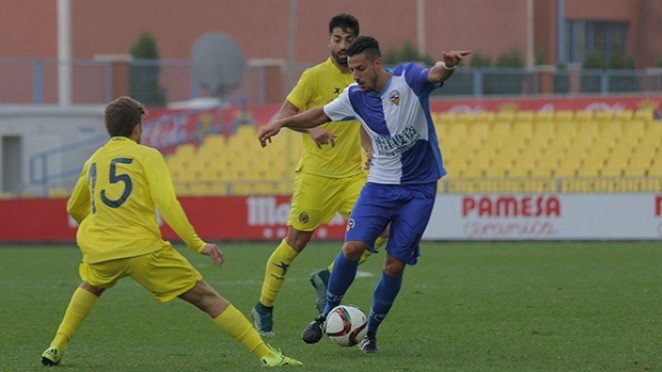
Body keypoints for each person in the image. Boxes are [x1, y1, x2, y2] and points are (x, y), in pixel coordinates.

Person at [40, 97, 301, 368]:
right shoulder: (147, 155)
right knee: (206, 297)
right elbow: (167, 204)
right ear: (137, 128)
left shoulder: (94, 160)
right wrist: (198, 244)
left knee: (92, 285)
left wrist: (99, 228)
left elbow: (74, 207)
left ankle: (56, 346)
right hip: (143, 250)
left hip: (102, 251)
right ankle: (266, 354)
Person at [258, 36, 470, 353]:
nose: (354, 75)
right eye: (351, 69)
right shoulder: (355, 96)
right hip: (379, 184)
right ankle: (326, 311)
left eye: (359, 68)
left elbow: (435, 74)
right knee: (352, 246)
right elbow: (319, 114)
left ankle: (371, 330)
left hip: (418, 190)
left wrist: (448, 65)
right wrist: (282, 123)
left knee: (394, 265)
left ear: (377, 64)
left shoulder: (407, 79)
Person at [251, 14, 388, 336]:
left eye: (348, 40)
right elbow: (285, 115)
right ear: (329, 41)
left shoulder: (361, 79)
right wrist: (313, 131)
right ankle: (264, 306)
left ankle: (328, 277)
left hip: (352, 175)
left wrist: (369, 149)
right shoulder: (314, 76)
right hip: (316, 174)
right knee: (296, 241)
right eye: (337, 39)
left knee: (381, 230)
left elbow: (361, 122)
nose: (343, 46)